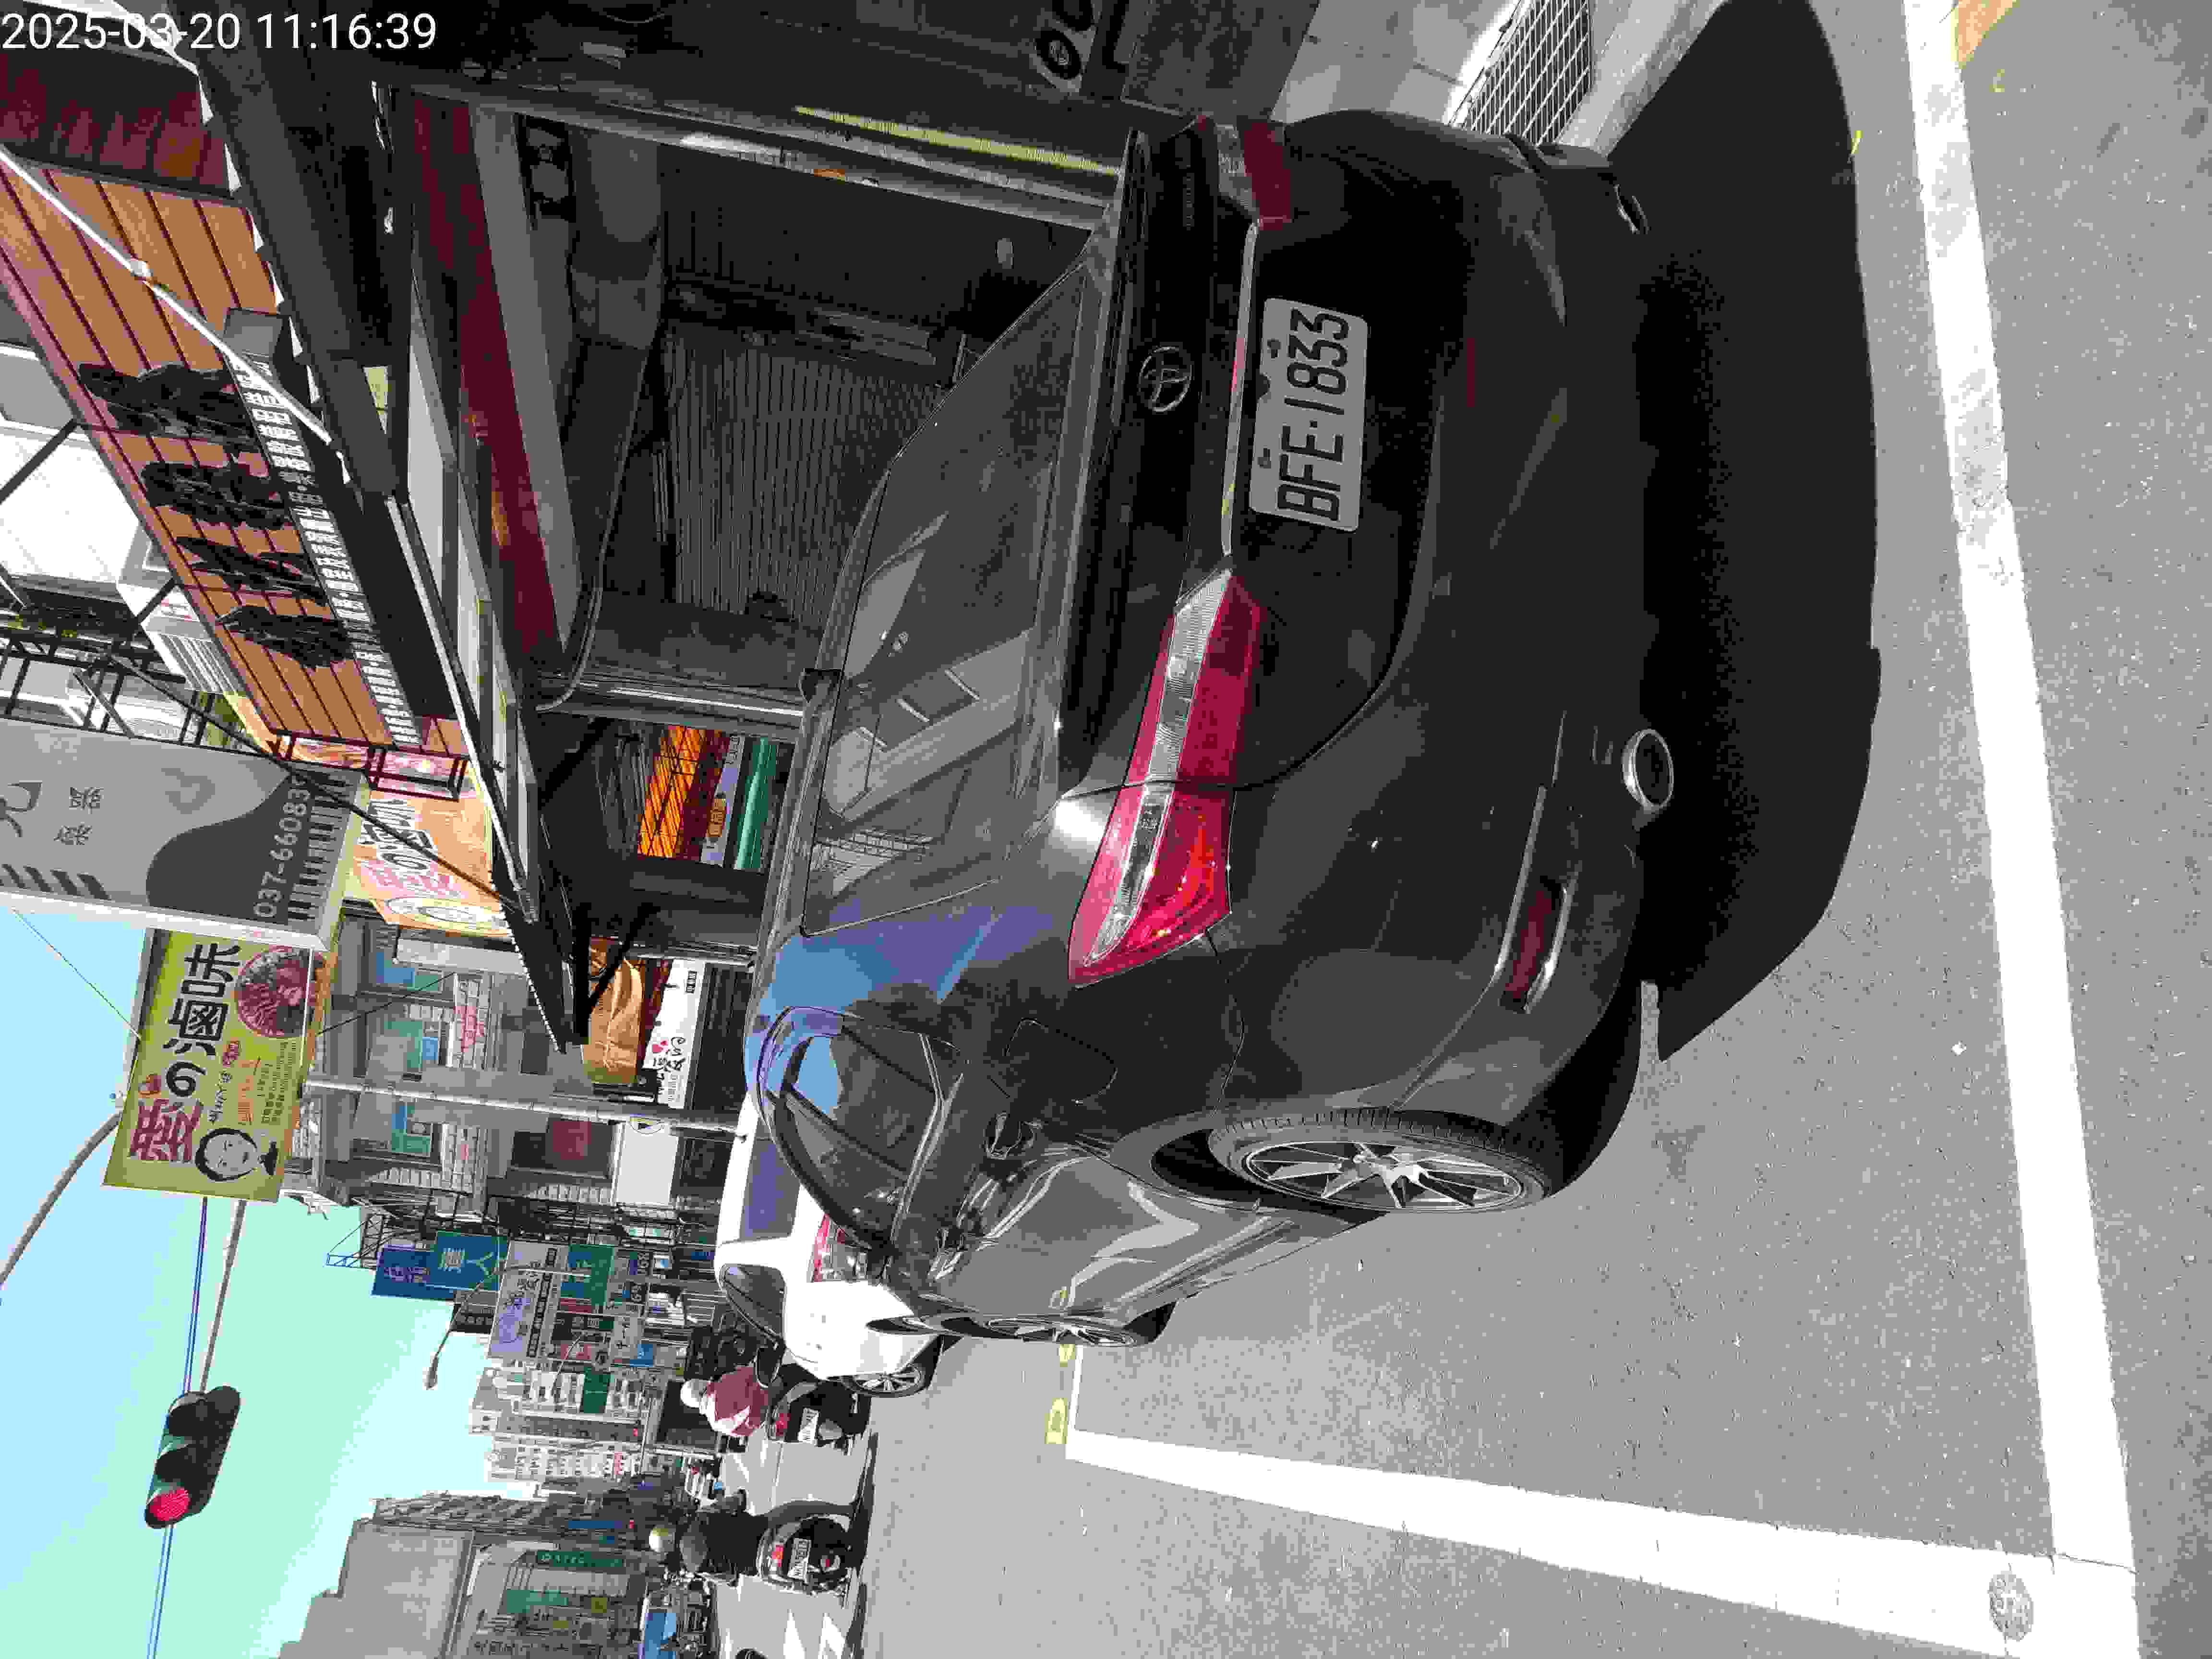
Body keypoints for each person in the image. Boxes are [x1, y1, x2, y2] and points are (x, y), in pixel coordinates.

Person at [681, 1368, 770, 1441]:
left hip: (765, 1421)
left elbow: (742, 1433)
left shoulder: (715, 1424)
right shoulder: (723, 1384)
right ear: (701, 1385)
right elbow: (752, 1373)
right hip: (768, 1395)